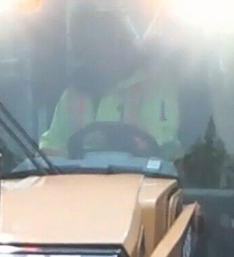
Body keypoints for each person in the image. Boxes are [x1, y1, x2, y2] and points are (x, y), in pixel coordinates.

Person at [38, 2, 181, 159]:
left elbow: (162, 144)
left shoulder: (155, 88)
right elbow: (51, 147)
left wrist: (109, 142)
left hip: (145, 180)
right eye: (91, 44)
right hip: (80, 181)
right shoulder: (73, 96)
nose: (101, 51)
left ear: (124, 45)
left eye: (108, 41)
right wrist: (47, 157)